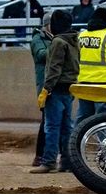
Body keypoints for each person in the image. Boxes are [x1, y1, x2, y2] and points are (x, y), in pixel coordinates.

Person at [31, 10, 79, 174]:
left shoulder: (58, 42)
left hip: (56, 90)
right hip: (69, 88)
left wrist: (46, 89)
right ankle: (67, 162)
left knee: (51, 127)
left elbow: (53, 69)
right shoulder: (73, 40)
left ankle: (49, 161)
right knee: (67, 128)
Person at [29, 13, 54, 166]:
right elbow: (41, 55)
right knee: (47, 120)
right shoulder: (38, 39)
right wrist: (57, 47)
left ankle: (43, 155)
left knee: (49, 121)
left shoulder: (51, 39)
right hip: (45, 84)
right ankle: (40, 155)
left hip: (51, 83)